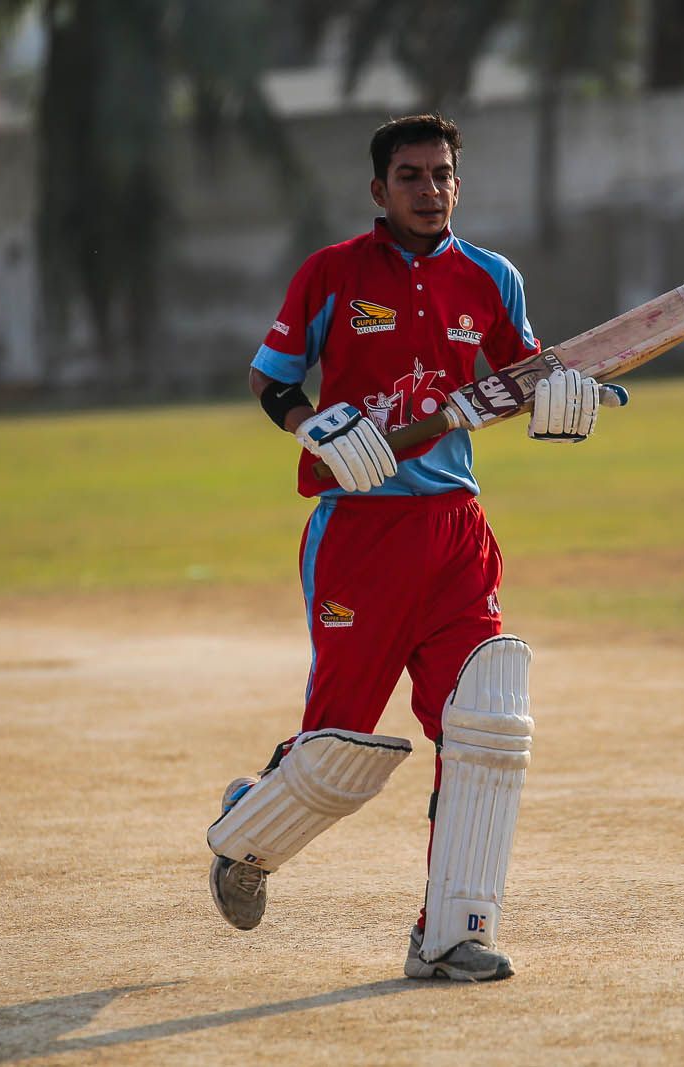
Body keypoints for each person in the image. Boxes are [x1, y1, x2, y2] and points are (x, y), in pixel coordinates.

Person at [205, 114, 604, 982]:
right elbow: (271, 377)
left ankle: (451, 931)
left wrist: (563, 398)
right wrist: (311, 424)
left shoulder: (492, 278)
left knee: (482, 727)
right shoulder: (333, 273)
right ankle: (249, 829)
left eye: (443, 174)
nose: (431, 190)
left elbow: (522, 376)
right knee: (337, 747)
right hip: (360, 530)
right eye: (412, 176)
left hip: (457, 532)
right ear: (378, 189)